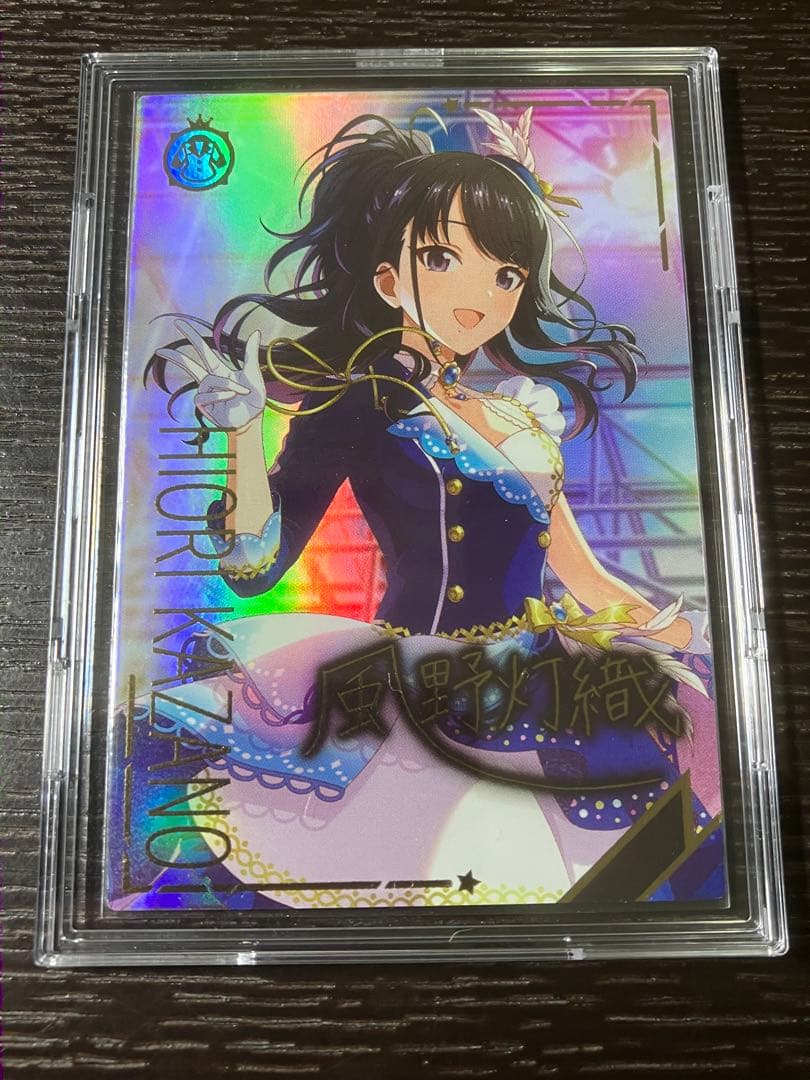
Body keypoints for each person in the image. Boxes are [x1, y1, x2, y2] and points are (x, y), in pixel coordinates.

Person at [145, 108, 720, 907]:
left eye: (506, 273)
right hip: (418, 689)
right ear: (389, 280)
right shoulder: (361, 403)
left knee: (636, 849)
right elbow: (256, 563)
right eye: (443, 257)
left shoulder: (522, 418)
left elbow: (583, 576)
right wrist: (242, 435)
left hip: (546, 681)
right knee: (431, 875)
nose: (478, 294)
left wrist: (689, 638)